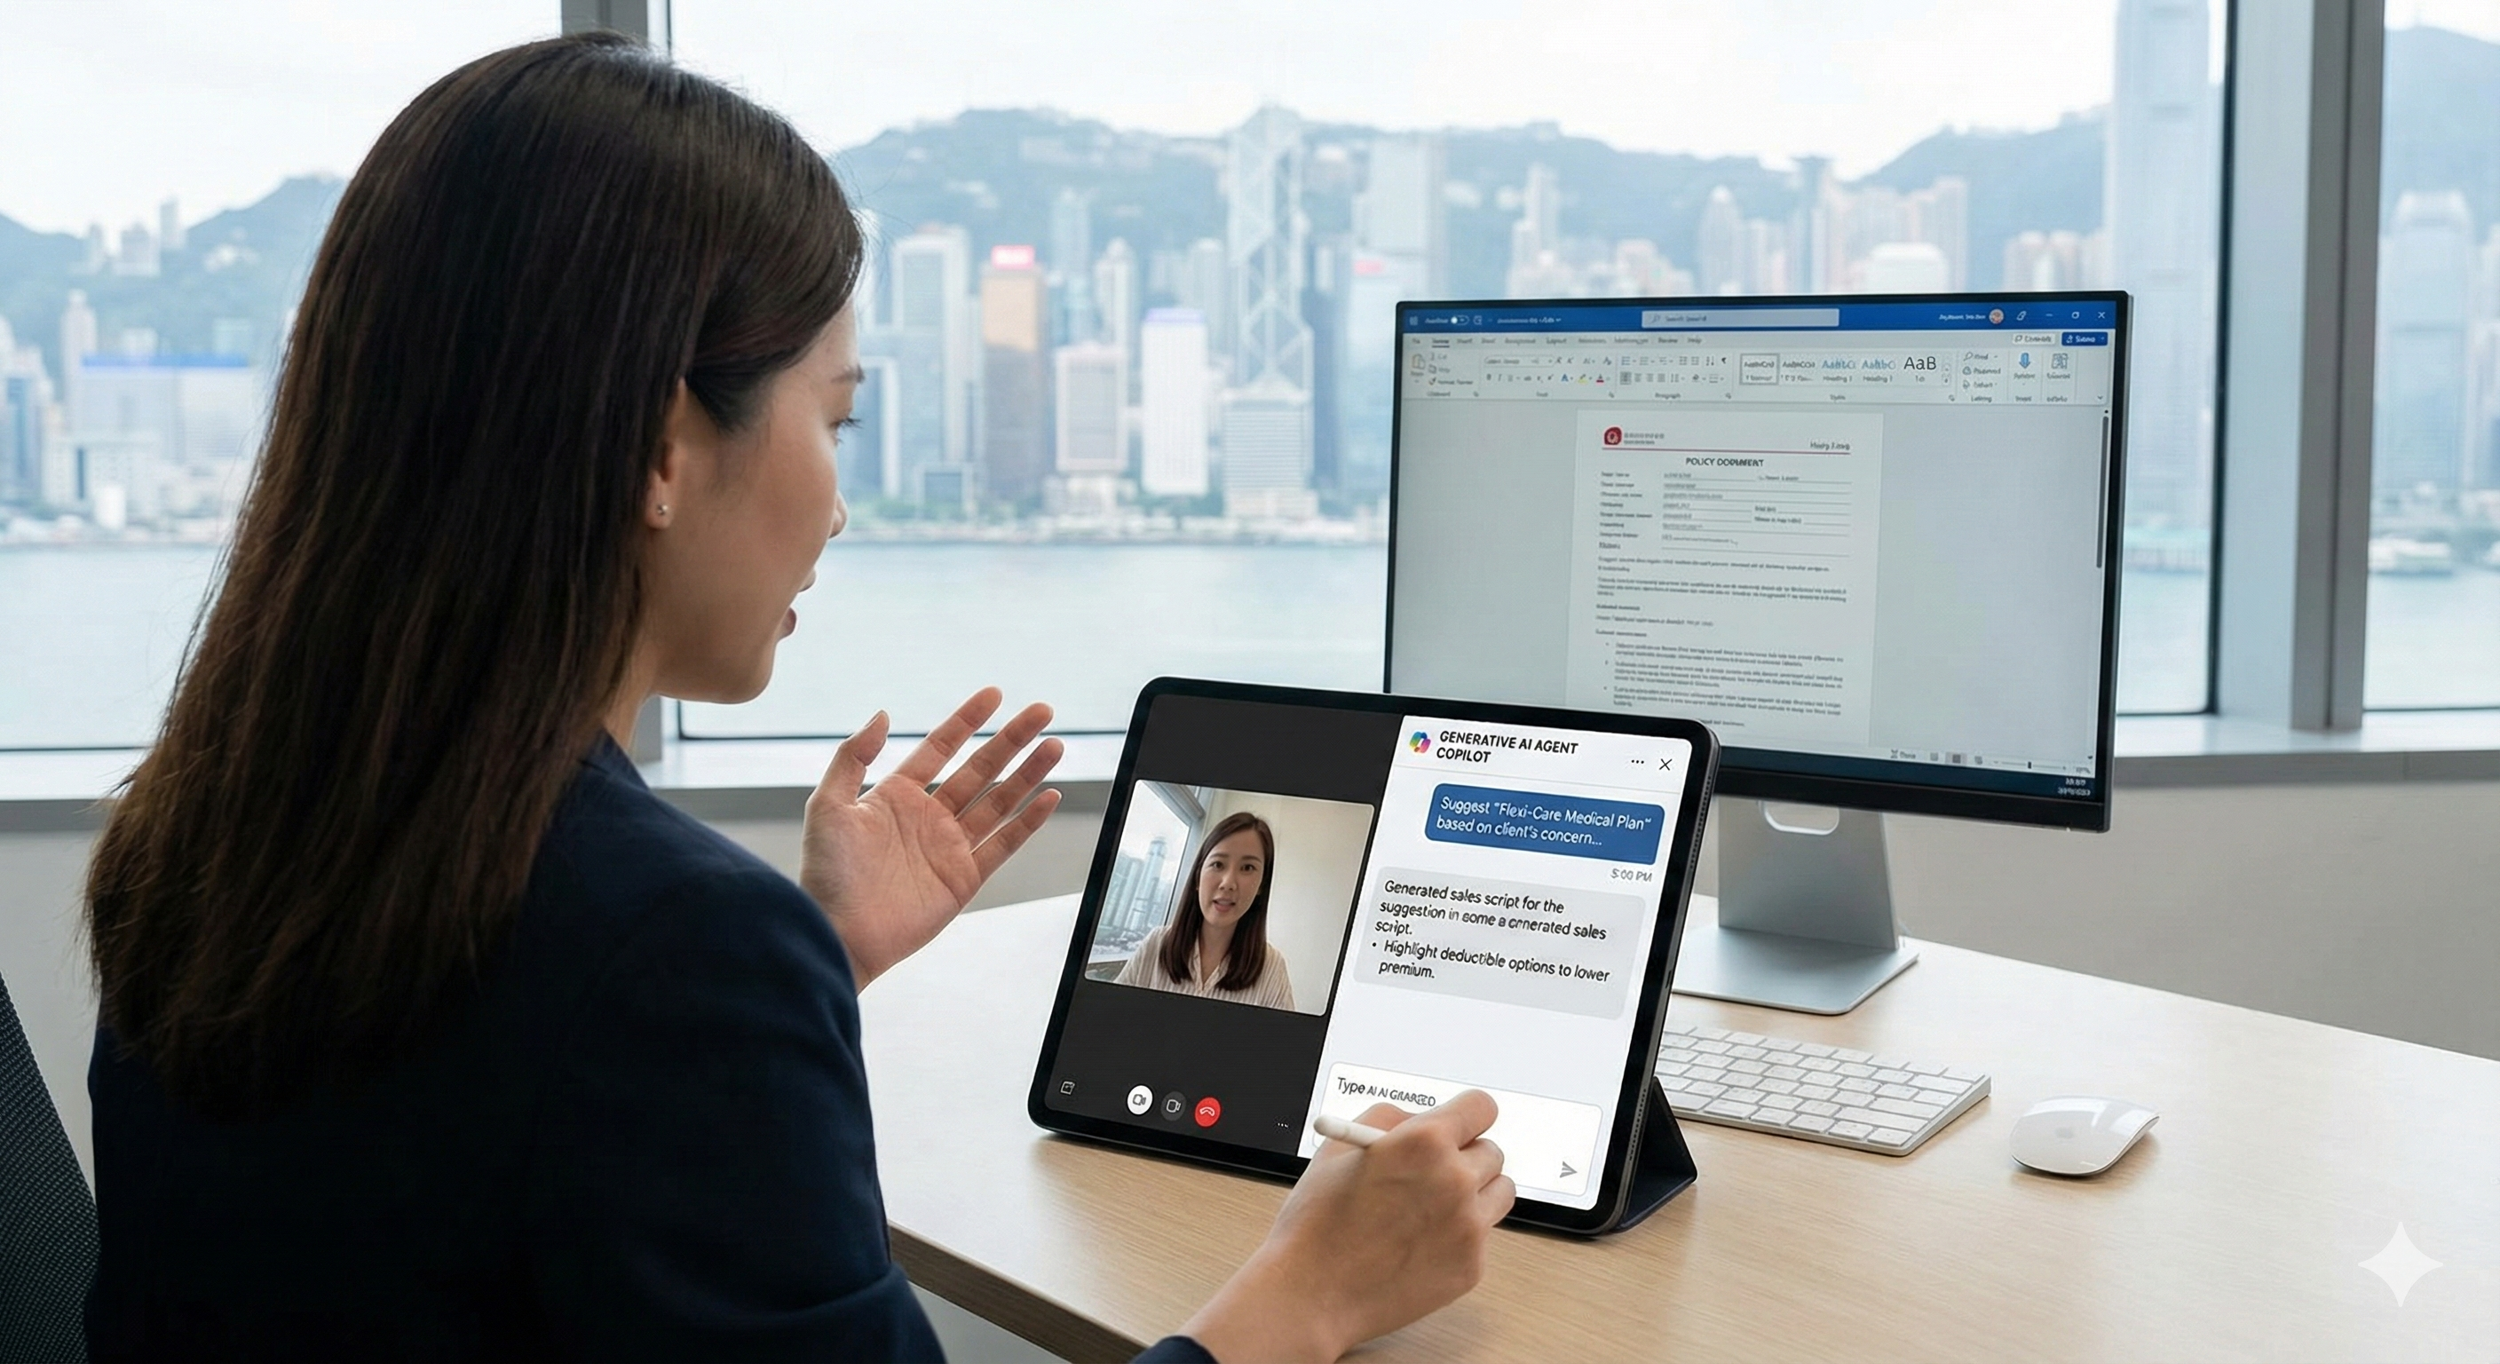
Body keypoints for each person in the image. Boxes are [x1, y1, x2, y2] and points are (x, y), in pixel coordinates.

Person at [76, 32, 1512, 1364]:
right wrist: (1310, 1293)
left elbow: (479, 1163)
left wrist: (804, 959)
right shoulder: (669, 951)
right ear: (658, 450)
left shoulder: (211, 841)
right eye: (834, 420)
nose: (838, 504)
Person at [1115, 811, 1297, 1010]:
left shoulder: (1272, 967)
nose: (1228, 883)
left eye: (1247, 868)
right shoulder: (1156, 944)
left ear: (1261, 885)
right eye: (1218, 864)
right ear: (1197, 877)